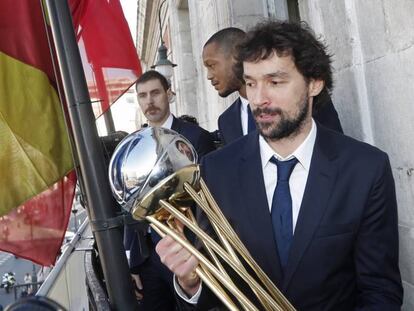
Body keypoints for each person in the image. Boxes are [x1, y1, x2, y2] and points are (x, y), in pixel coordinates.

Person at [156, 20, 403, 310]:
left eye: (275, 82)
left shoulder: (365, 169)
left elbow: (380, 291)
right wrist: (190, 284)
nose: (258, 99)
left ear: (314, 83)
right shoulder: (215, 172)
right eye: (251, 83)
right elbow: (214, 290)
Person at [124, 70, 215, 311]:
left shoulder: (196, 138)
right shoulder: (134, 145)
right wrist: (134, 264)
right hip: (150, 257)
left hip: (192, 252)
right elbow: (131, 204)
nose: (149, 101)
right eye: (142, 95)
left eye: (155, 93)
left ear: (168, 94)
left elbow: (209, 198)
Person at [202, 27, 343, 145]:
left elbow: (335, 152)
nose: (209, 76)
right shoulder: (226, 121)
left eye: (212, 65)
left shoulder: (304, 99)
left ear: (237, 55)